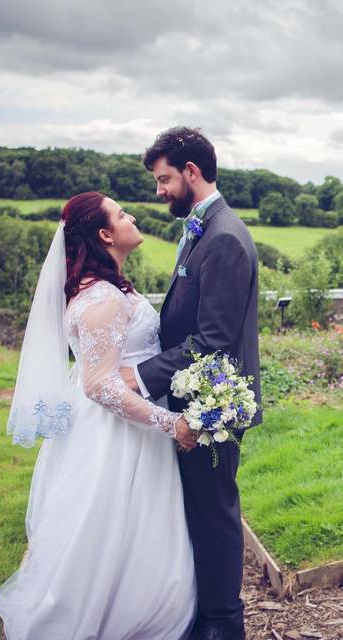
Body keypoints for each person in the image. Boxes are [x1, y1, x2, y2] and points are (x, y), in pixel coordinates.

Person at [0, 191, 200, 639]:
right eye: (122, 213)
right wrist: (171, 424)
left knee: (118, 525)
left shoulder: (102, 287)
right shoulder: (103, 297)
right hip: (117, 433)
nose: (131, 216)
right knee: (108, 524)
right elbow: (98, 384)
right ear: (106, 234)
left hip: (120, 425)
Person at [119, 126, 262, 640]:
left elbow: (212, 340)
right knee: (200, 512)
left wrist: (136, 375)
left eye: (164, 180)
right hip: (195, 401)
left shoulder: (222, 237)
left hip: (212, 408)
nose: (159, 192)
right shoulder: (203, 228)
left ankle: (223, 626)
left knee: (214, 515)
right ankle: (202, 615)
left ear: (192, 173)